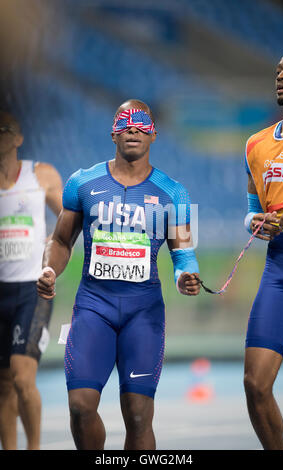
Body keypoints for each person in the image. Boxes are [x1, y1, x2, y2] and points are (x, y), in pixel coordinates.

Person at [37, 99, 200, 450]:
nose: (133, 129)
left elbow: (183, 253)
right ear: (113, 132)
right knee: (80, 407)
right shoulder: (83, 183)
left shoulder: (173, 193)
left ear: (154, 134)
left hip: (144, 312)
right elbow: (62, 240)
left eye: (142, 123)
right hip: (94, 307)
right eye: (125, 122)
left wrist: (186, 276)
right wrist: (50, 268)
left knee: (138, 414)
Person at [0, 110, 62, 450]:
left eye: (5, 129)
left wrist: (54, 242)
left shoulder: (41, 175)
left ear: (19, 138)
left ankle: (33, 448)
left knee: (23, 378)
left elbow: (71, 217)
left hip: (30, 290)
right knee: (3, 384)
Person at [243, 52, 283, 450]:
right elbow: (253, 208)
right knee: (255, 384)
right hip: (279, 271)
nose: (281, 76)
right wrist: (254, 223)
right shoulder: (256, 144)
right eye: (278, 71)